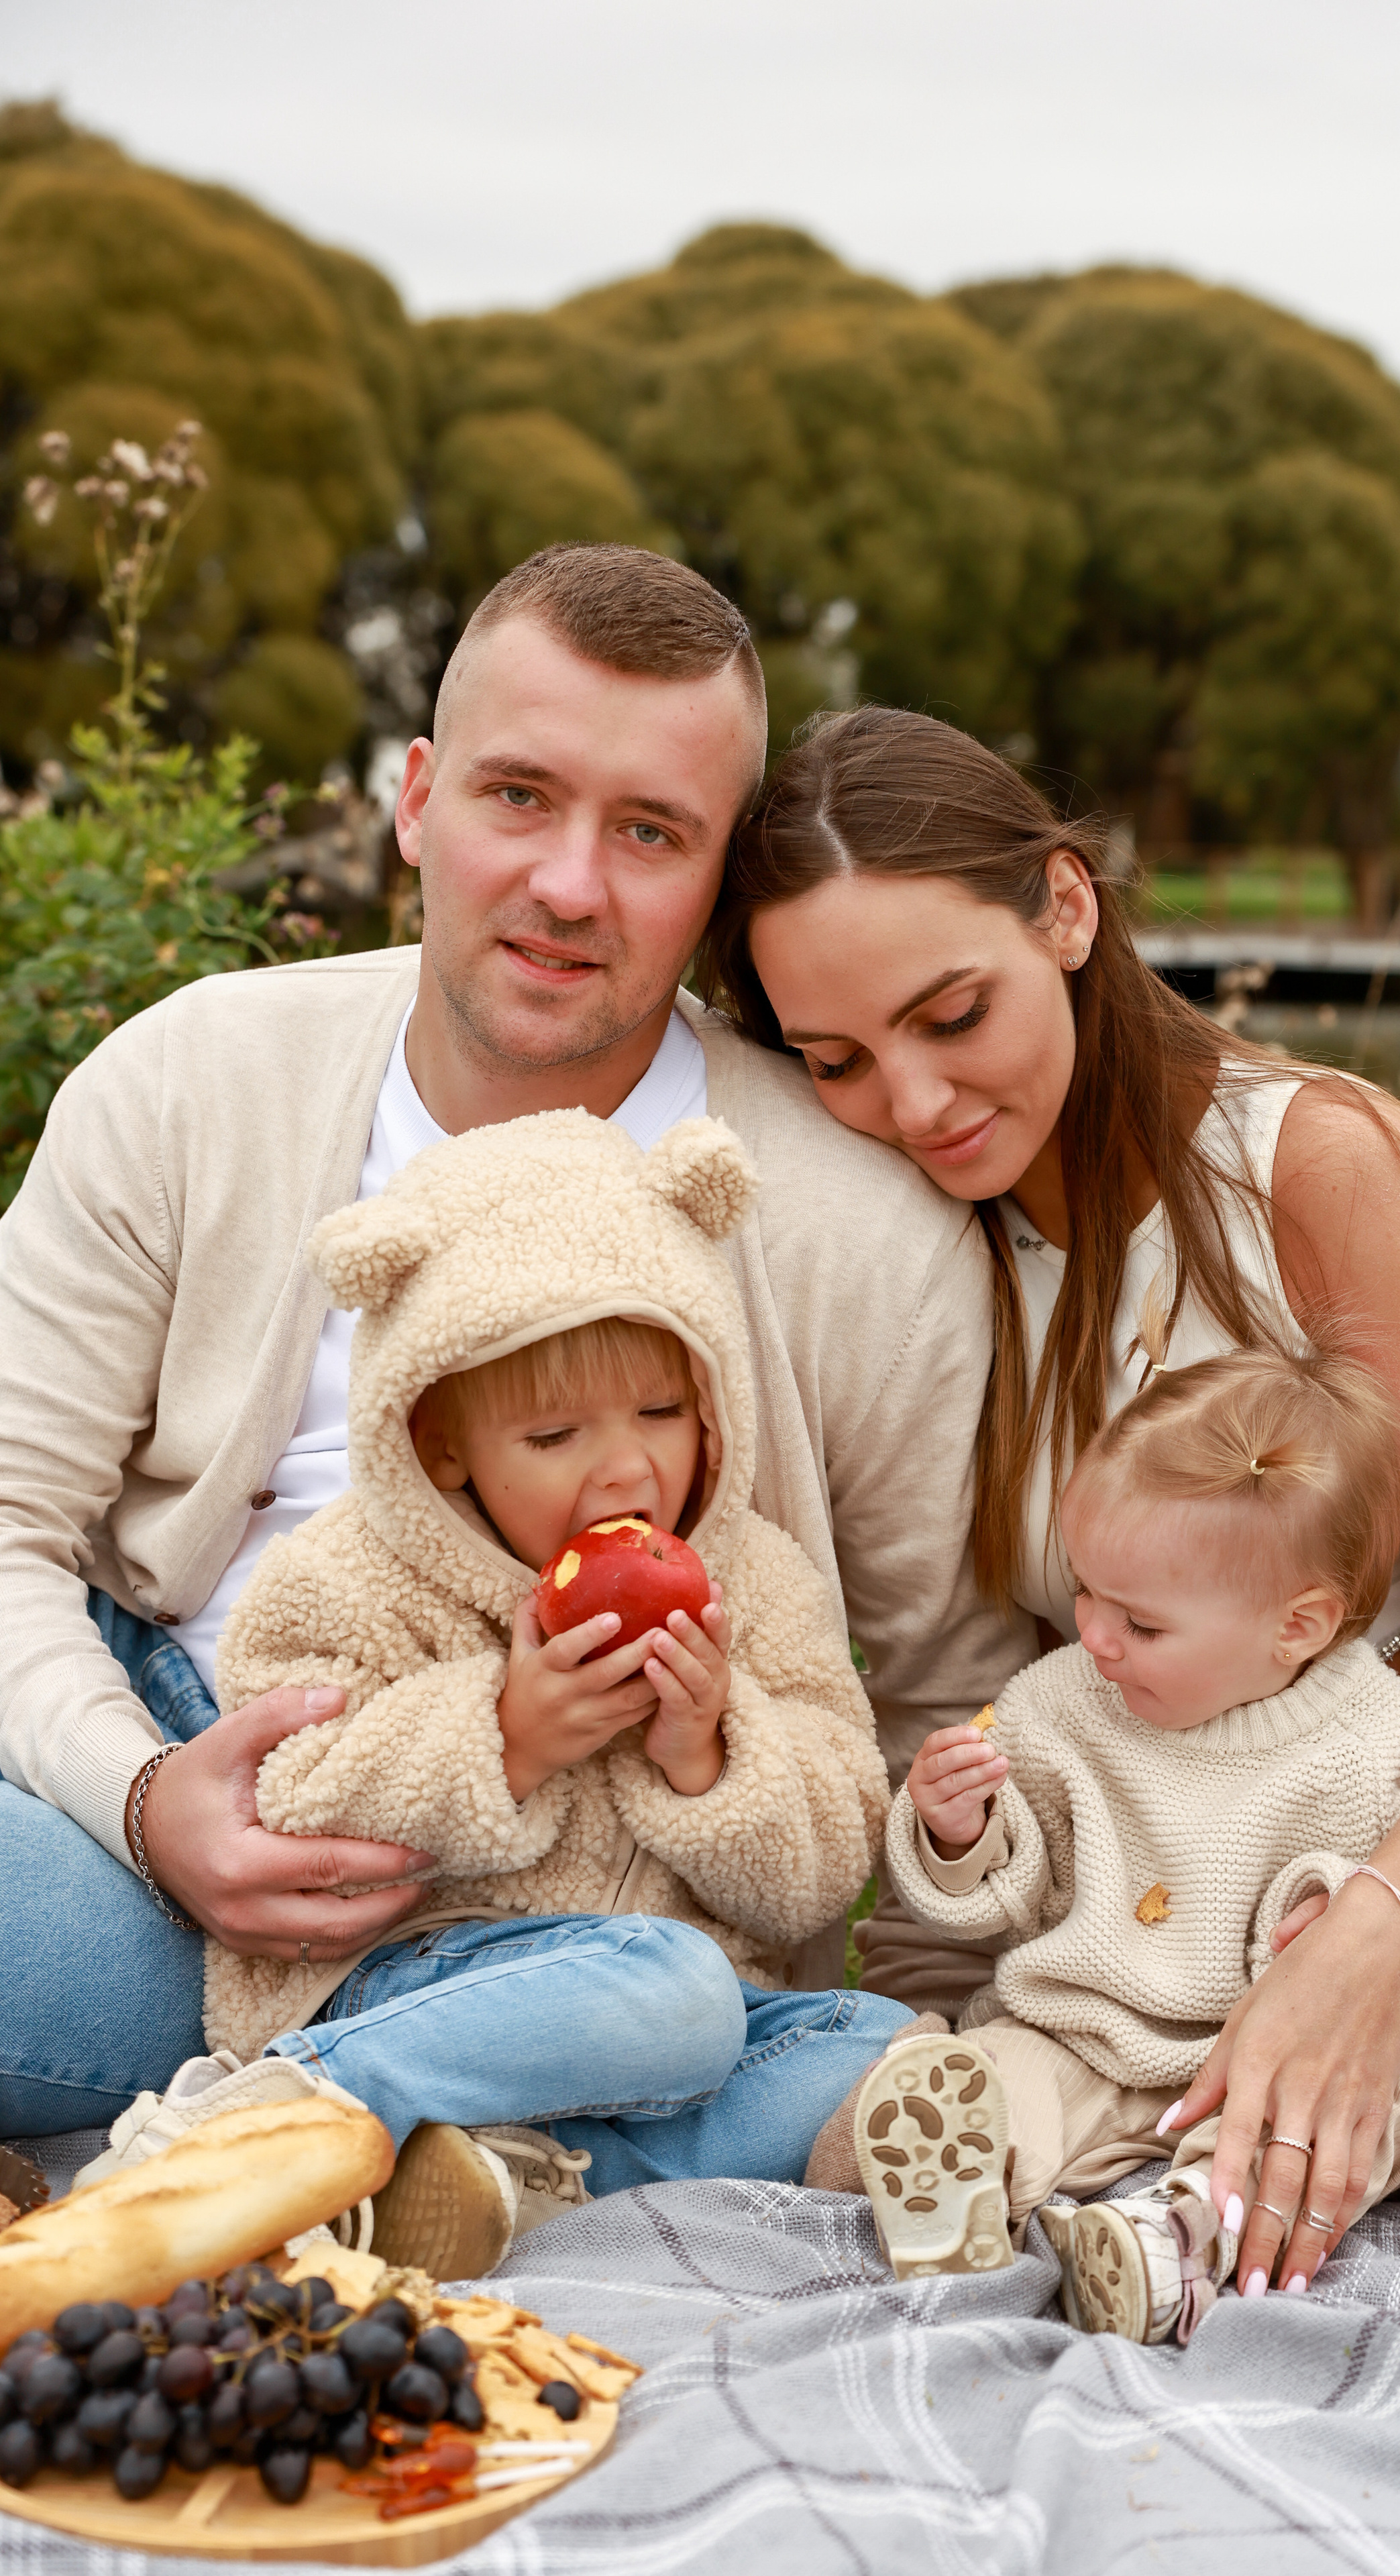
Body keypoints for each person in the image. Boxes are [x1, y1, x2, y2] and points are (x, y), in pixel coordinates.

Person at [0, 548, 1032, 2140]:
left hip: (601, 1935)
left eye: (649, 832)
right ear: (416, 800)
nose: (568, 884)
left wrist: (911, 2019)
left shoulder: (857, 1234)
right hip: (160, 1841)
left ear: (717, 886)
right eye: (517, 797)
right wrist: (148, 1807)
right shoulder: (194, 1082)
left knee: (790, 2052)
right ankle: (419, 2125)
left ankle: (343, 2123)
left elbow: (942, 1712)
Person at [700, 703, 1400, 2292]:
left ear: (1065, 907)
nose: (913, 1101)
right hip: (1225, 1868)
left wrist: (1372, 1939)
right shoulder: (935, 1233)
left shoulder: (1308, 1168)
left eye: (950, 1014)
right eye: (834, 1061)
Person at [80, 1107, 906, 2276]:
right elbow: (287, 1797)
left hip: (659, 2044)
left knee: (872, 2048)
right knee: (676, 1991)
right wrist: (503, 1739)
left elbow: (823, 1868)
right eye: (556, 1434)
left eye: (663, 1412)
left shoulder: (756, 1584)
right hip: (416, 1982)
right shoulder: (349, 1578)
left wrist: (710, 1757)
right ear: (442, 1441)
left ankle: (498, 2178)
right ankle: (272, 2117)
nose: (628, 1469)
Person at [836, 1339, 1400, 2341]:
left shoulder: (1378, 1741)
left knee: (1390, 2102)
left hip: (1270, 2061)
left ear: (1298, 1627)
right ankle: (961, 2188)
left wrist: (1338, 1904)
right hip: (1083, 2031)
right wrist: (961, 1829)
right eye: (1084, 1592)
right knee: (996, 2070)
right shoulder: (1062, 1705)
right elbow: (1015, 1896)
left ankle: (1184, 2234)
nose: (1094, 1636)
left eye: (1141, 1624)